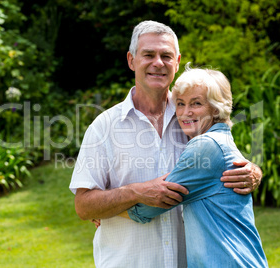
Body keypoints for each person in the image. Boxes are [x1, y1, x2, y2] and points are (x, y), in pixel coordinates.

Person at [69, 20, 262, 267]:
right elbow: (84, 206)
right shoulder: (103, 127)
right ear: (131, 60)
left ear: (177, 61)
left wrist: (252, 171)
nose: (158, 63)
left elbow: (222, 157)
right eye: (148, 54)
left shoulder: (194, 120)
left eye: (166, 56)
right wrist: (133, 192)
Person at [125, 67, 268, 267]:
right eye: (181, 104)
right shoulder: (219, 141)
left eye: (196, 103)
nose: (185, 113)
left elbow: (150, 206)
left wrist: (107, 211)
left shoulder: (205, 146)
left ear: (216, 109)